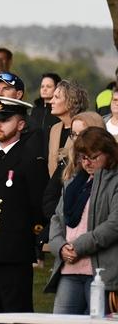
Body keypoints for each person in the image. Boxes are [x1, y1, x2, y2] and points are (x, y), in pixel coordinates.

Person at [0, 96, 48, 316]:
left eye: (4, 120)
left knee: (14, 313)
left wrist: (33, 238)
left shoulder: (29, 159)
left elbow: (37, 206)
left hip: (14, 251)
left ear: (21, 125)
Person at [46, 126, 118, 313]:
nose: (87, 163)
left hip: (102, 274)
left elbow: (114, 225)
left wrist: (78, 246)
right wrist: (60, 248)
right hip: (69, 269)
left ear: (109, 153)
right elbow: (56, 219)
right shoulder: (74, 181)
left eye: (93, 157)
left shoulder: (115, 181)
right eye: (83, 157)